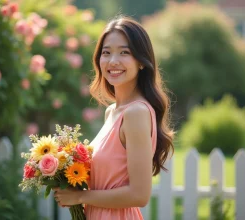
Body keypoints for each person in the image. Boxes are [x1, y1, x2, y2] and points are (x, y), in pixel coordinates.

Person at [53, 16, 174, 219]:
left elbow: (139, 195)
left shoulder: (136, 113)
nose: (113, 61)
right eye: (106, 53)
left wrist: (81, 197)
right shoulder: (112, 112)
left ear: (142, 62)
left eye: (124, 52)